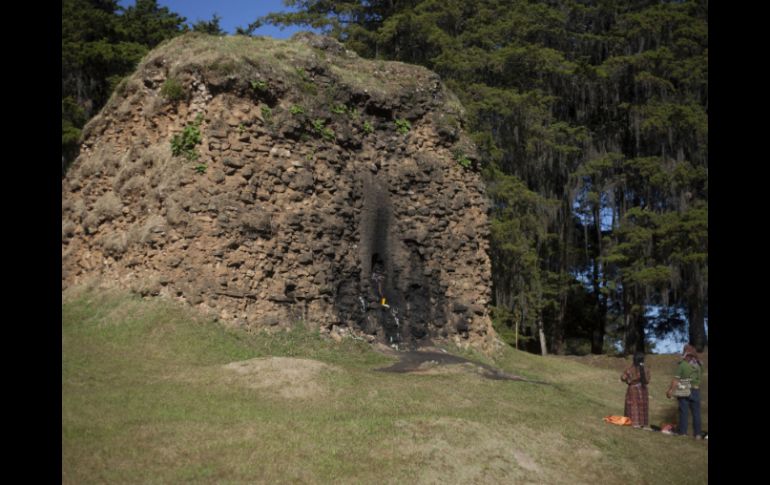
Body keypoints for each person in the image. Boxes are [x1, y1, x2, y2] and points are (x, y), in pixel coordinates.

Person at [666, 344, 703, 439]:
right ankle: (698, 434)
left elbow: (676, 380)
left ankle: (683, 432)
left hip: (684, 387)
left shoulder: (682, 365)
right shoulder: (699, 365)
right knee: (696, 413)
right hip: (696, 389)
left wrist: (670, 390)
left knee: (684, 411)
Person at [621, 351, 651, 428]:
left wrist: (629, 379)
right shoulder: (645, 369)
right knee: (642, 405)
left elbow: (623, 377)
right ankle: (642, 423)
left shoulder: (630, 369)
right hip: (643, 390)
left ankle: (632, 422)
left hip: (633, 390)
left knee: (632, 405)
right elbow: (647, 381)